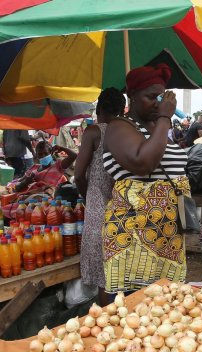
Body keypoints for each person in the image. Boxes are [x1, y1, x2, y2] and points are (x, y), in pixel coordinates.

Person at [101, 63, 189, 292]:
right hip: (133, 239)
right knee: (132, 310)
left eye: (162, 98)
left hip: (167, 238)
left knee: (166, 309)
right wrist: (165, 118)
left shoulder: (157, 130)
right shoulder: (119, 127)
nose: (158, 104)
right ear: (132, 96)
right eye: (152, 97)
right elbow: (143, 163)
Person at [75, 87, 126, 305]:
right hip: (123, 204)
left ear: (100, 108)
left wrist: (88, 194)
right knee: (118, 269)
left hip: (97, 204)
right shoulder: (128, 133)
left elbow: (78, 174)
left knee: (102, 274)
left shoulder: (94, 132)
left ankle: (104, 318)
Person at [12, 140, 76, 193]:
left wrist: (62, 148)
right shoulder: (34, 168)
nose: (43, 156)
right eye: (40, 154)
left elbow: (74, 155)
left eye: (46, 153)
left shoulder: (58, 166)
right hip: (28, 197)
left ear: (51, 153)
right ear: (36, 155)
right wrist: (26, 182)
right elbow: (16, 187)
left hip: (46, 199)